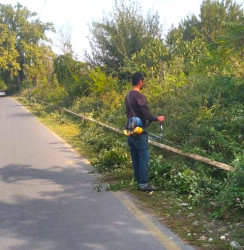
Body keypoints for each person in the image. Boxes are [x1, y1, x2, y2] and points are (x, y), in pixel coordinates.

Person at [125, 72, 165, 191]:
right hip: (139, 132)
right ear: (140, 81)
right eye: (143, 81)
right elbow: (146, 114)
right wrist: (157, 118)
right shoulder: (139, 96)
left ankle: (139, 181)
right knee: (143, 156)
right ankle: (143, 184)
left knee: (135, 156)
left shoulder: (127, 96)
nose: (144, 83)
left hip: (130, 131)